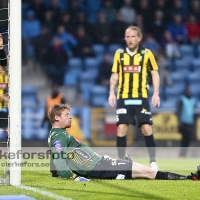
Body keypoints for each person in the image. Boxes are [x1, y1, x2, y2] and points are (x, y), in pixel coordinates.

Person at [48, 103, 200, 181]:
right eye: (67, 114)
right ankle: (190, 178)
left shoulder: (56, 135)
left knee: (140, 172)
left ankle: (122, 170)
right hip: (99, 167)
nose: (70, 117)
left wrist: (54, 173)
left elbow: (55, 158)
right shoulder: (59, 136)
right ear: (56, 118)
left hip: (100, 164)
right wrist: (73, 178)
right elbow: (60, 162)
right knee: (148, 172)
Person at [108, 26, 160, 170]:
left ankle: (153, 161)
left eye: (133, 36)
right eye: (127, 36)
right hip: (124, 96)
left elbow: (155, 74)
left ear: (139, 38)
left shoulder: (146, 54)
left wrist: (156, 93)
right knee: (121, 128)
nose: (130, 39)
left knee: (146, 128)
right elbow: (115, 75)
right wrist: (111, 92)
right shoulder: (119, 54)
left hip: (141, 96)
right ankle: (121, 163)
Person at [177, 86, 196, 158]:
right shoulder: (182, 100)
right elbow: (178, 112)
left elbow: (192, 113)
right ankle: (181, 154)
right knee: (184, 140)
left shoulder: (192, 100)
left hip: (190, 123)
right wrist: (179, 123)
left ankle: (184, 154)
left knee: (188, 140)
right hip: (183, 123)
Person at [0, 34, 9, 138]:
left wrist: (1, 47)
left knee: (7, 126)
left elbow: (3, 62)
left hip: (2, 106)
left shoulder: (4, 76)